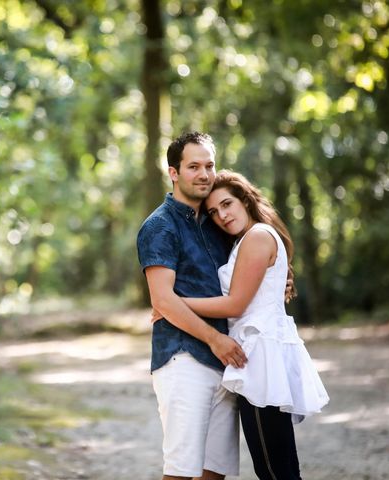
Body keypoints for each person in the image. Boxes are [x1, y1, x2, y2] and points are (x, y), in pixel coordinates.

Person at [154, 169, 330, 480]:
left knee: (275, 470)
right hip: (255, 354)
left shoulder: (258, 236)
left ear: (244, 200)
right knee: (276, 465)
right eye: (213, 211)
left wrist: (171, 304)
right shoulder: (245, 241)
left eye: (227, 204)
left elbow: (235, 303)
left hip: (262, 358)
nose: (221, 215)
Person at [137, 131, 247, 480]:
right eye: (193, 166)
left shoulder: (219, 222)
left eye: (209, 165)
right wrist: (214, 339)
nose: (203, 174)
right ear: (174, 172)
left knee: (215, 472)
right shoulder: (159, 226)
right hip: (182, 360)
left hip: (225, 363)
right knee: (182, 471)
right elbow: (163, 300)